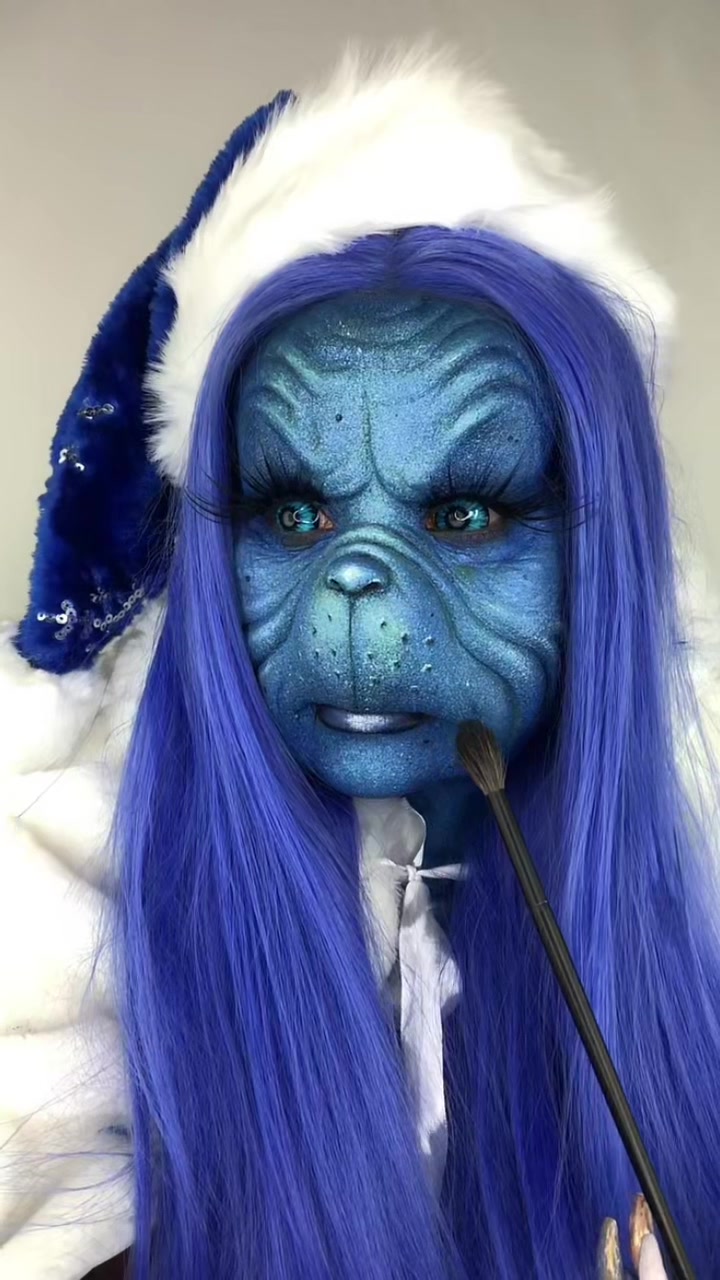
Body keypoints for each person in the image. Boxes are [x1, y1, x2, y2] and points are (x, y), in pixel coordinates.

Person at [2, 48, 717, 1280]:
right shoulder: (49, 944)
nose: (355, 584)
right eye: (292, 513)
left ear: (603, 558)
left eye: (465, 512)